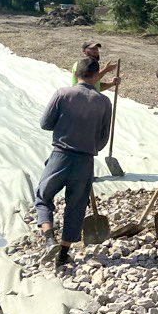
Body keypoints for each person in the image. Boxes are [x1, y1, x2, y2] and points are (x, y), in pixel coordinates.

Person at [35, 57, 113, 270]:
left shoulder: (63, 94)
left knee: (43, 195)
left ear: (76, 73)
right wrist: (90, 145)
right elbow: (104, 137)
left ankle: (49, 237)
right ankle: (63, 254)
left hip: (61, 155)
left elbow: (45, 123)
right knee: (76, 206)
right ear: (97, 76)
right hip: (86, 159)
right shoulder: (104, 102)